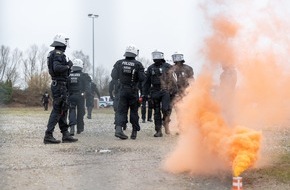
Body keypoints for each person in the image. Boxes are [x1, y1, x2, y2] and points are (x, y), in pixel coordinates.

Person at [43, 33, 78, 144]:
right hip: (59, 85)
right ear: (62, 44)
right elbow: (57, 68)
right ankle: (48, 135)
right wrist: (68, 66)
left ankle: (65, 134)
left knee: (63, 109)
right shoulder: (58, 53)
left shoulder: (52, 53)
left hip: (59, 84)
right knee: (58, 109)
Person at [111, 45, 146, 140]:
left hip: (122, 90)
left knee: (121, 111)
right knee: (134, 112)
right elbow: (143, 78)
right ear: (135, 54)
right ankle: (134, 133)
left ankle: (118, 129)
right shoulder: (138, 64)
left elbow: (113, 76)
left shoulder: (119, 63)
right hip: (133, 91)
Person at [143, 50, 176, 137]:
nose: (156, 57)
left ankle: (165, 123)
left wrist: (174, 91)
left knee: (166, 109)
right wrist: (145, 94)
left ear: (162, 56)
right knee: (156, 111)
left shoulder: (168, 66)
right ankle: (158, 130)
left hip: (165, 91)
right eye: (154, 55)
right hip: (154, 91)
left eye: (158, 55)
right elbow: (146, 82)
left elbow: (173, 80)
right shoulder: (150, 68)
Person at [67, 59, 91, 136]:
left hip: (71, 96)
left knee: (72, 111)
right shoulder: (84, 76)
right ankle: (80, 128)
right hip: (80, 96)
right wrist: (87, 94)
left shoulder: (69, 75)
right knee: (81, 112)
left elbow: (66, 86)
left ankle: (72, 128)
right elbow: (88, 87)